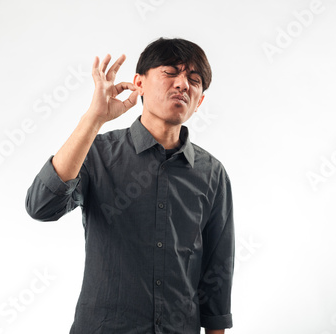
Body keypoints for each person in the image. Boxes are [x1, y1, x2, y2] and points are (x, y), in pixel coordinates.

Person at [25, 37, 234, 334]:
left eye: (194, 79)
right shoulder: (96, 153)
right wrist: (93, 119)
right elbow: (41, 207)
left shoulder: (212, 173)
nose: (183, 84)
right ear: (139, 84)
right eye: (171, 72)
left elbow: (217, 272)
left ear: (199, 101)